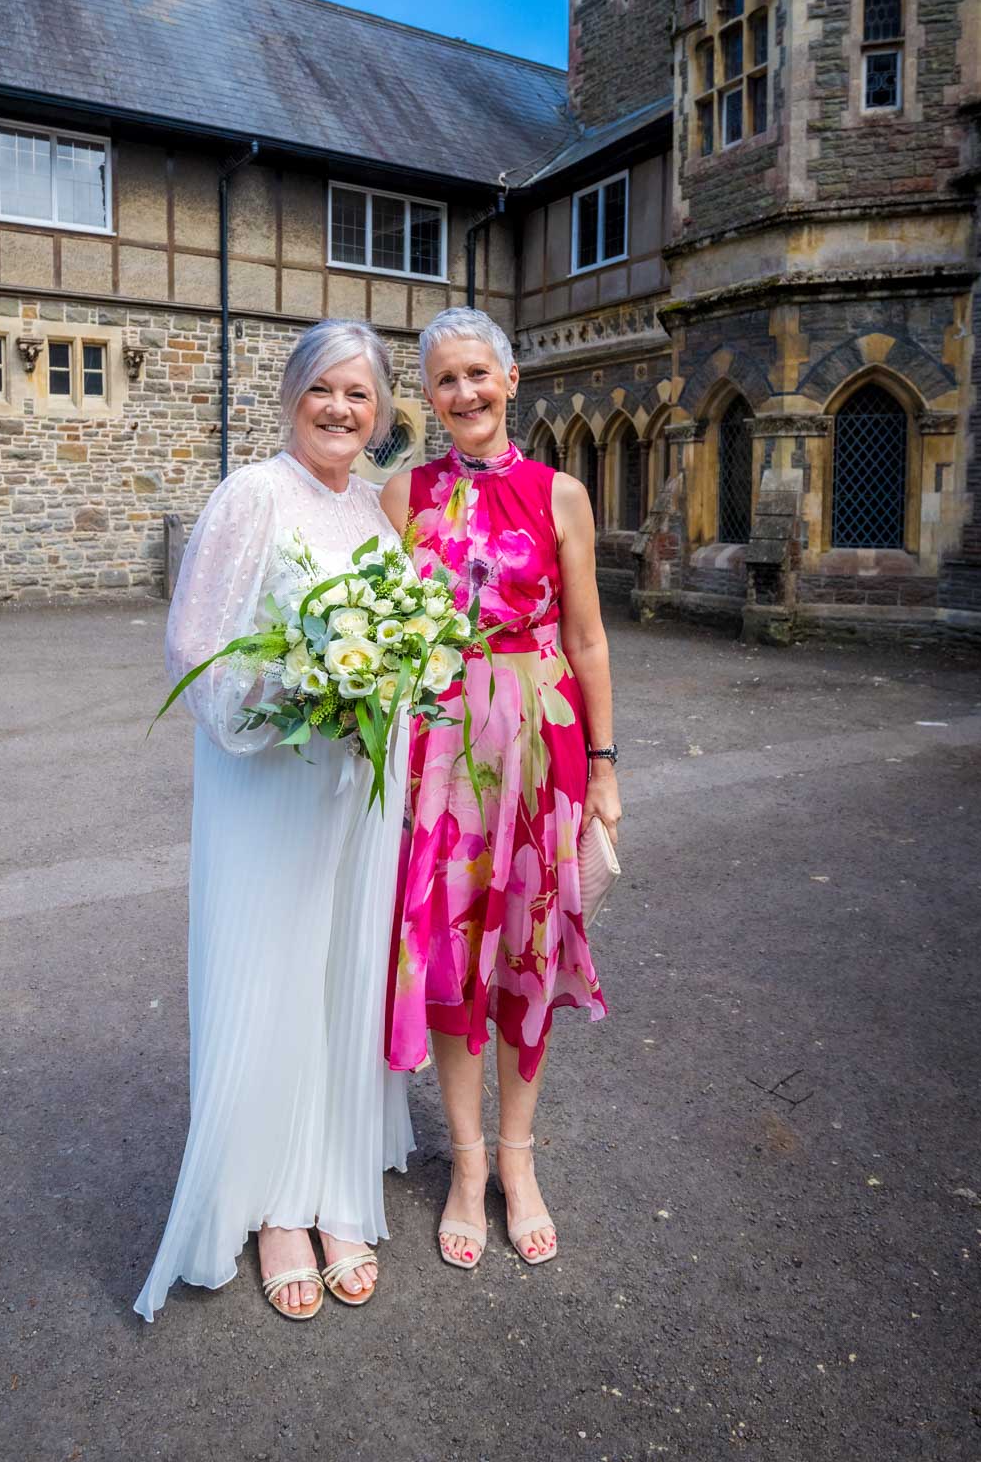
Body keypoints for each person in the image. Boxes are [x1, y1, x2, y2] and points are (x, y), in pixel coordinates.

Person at [135, 320, 413, 1323]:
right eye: (324, 390)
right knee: (273, 972)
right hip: (270, 784)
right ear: (294, 394)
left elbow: (404, 646)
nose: (341, 409)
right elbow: (196, 645)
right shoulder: (252, 495)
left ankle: (333, 1185)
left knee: (338, 981)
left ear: (381, 411)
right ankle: (270, 1208)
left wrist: (384, 690)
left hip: (354, 795)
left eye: (360, 394)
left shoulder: (378, 521)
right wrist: (304, 691)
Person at [381, 307, 621, 1269]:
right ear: (429, 396)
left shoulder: (561, 494)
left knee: (526, 950)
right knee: (449, 958)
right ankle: (467, 1164)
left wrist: (605, 765)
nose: (464, 393)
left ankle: (518, 1164)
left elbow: (588, 639)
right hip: (438, 754)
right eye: (445, 379)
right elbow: (381, 633)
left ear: (512, 379)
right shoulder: (404, 494)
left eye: (478, 373)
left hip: (540, 745)